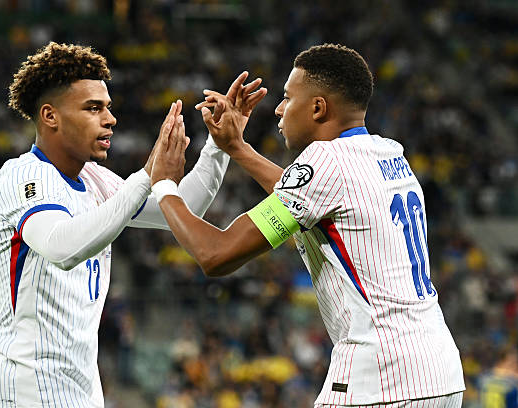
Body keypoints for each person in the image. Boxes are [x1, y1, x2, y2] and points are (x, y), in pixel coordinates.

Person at [150, 44, 465, 406]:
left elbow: (215, 254)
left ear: (317, 108)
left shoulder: (325, 161)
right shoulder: (388, 152)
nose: (279, 109)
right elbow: (309, 194)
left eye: (287, 98)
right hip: (439, 372)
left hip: (380, 376)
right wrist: (237, 148)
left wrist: (164, 184)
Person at [0, 42, 264, 407]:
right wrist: (147, 175)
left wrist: (219, 146)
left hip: (81, 389)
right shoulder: (22, 176)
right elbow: (60, 247)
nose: (110, 119)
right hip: (27, 390)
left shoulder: (96, 179)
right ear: (50, 116)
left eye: (108, 107)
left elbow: (181, 208)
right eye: (93, 108)